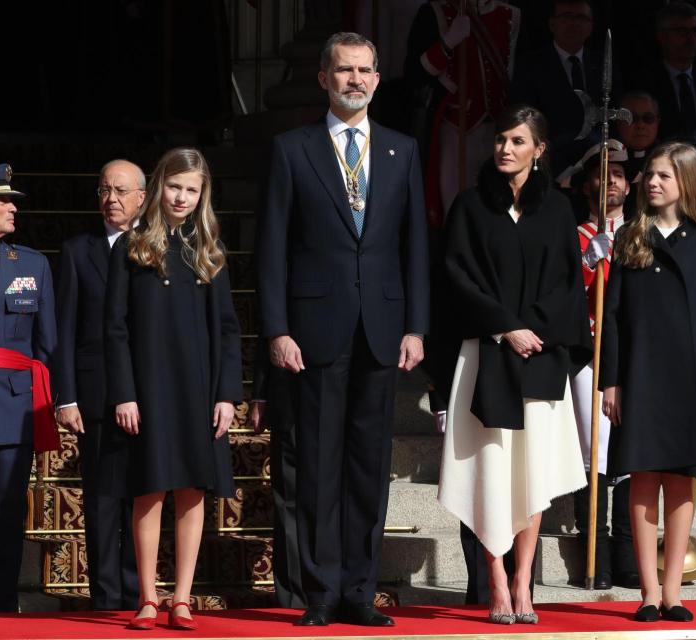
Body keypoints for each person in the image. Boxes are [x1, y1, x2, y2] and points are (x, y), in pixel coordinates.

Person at [256, 32, 429, 627]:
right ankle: (320, 592)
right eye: (344, 70)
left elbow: (415, 248)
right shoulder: (291, 149)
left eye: (365, 70)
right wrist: (276, 328)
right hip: (313, 331)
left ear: (378, 79)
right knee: (318, 466)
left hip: (382, 330)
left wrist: (416, 326)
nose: (355, 79)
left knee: (367, 467)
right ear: (324, 79)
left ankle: (361, 589)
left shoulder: (402, 150)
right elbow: (271, 249)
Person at [439, 104, 592, 625]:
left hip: (541, 357)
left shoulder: (558, 210)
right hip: (487, 353)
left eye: (518, 141)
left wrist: (536, 332)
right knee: (491, 469)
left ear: (540, 150)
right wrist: (506, 326)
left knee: (531, 472)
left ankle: (525, 581)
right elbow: (457, 275)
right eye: (501, 139)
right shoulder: (470, 206)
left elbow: (569, 283)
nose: (505, 148)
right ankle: (496, 580)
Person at [105, 148, 241, 630]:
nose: (181, 197)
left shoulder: (209, 251)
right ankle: (147, 596)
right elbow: (115, 328)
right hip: (148, 388)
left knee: (192, 490)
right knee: (150, 488)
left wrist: (227, 394)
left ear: (202, 195)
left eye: (192, 189)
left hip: (199, 389)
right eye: (174, 186)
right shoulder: (132, 247)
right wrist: (124, 392)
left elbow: (227, 329)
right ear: (159, 186)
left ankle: (181, 598)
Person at [600, 142, 696, 623]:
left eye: (663, 177)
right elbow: (611, 317)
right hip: (640, 375)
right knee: (642, 476)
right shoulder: (631, 237)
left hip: (691, 378)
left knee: (681, 481)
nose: (652, 183)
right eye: (649, 175)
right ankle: (648, 592)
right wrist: (611, 382)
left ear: (686, 184)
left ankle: (674, 590)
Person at [54, 159, 145, 611]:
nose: (112, 199)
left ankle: (138, 591)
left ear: (142, 198)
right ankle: (108, 596)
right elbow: (64, 330)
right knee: (104, 498)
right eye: (105, 190)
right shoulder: (77, 251)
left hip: (149, 394)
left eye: (121, 191)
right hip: (95, 395)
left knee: (142, 495)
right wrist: (65, 396)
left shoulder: (156, 247)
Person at [571, 142, 639, 590]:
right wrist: (586, 261)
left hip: (635, 356)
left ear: (629, 184)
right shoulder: (572, 234)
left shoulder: (642, 234)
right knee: (593, 453)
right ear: (586, 184)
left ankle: (629, 555)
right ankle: (594, 555)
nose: (610, 180)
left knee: (633, 455)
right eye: (601, 173)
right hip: (590, 353)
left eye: (617, 173)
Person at [0, 164, 58, 612]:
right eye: (2, 201)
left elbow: (47, 344)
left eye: (12, 200)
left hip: (11, 404)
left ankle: (2, 596)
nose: (11, 207)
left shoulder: (32, 264)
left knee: (6, 508)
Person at [405, 0, 521, 227]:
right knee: (455, 209)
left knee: (500, 207)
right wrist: (448, 42)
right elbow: (415, 75)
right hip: (456, 127)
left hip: (500, 129)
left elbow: (515, 73)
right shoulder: (437, 12)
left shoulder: (511, 15)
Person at [509, 0, 615, 179]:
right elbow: (525, 120)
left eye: (581, 17)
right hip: (549, 167)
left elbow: (614, 111)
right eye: (567, 16)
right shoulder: (531, 65)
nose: (573, 23)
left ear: (591, 27)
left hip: (599, 166)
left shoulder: (604, 63)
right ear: (552, 23)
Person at [634, 3, 696, 169]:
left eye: (694, 31)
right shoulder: (645, 82)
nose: (691, 39)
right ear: (662, 37)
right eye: (682, 32)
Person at [250, 347, 306, 608]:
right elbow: (270, 330)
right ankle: (294, 595)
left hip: (339, 397)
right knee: (289, 496)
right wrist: (260, 395)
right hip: (290, 393)